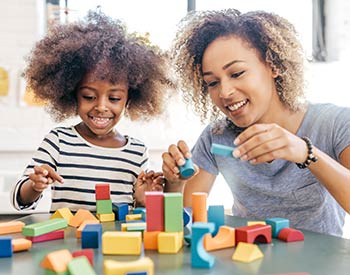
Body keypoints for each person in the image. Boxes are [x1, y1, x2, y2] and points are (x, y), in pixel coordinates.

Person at [162, 9, 350, 237]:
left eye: (237, 73)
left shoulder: (334, 123)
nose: (225, 92)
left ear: (273, 66)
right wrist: (174, 183)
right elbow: (184, 217)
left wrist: (306, 152)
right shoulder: (217, 136)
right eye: (212, 83)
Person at [11, 11, 175, 212]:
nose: (101, 107)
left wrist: (142, 202)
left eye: (114, 98)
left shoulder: (137, 152)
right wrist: (35, 185)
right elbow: (20, 199)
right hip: (69, 243)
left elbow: (133, 214)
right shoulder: (59, 141)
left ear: (128, 100)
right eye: (89, 96)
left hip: (116, 243)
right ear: (73, 94)